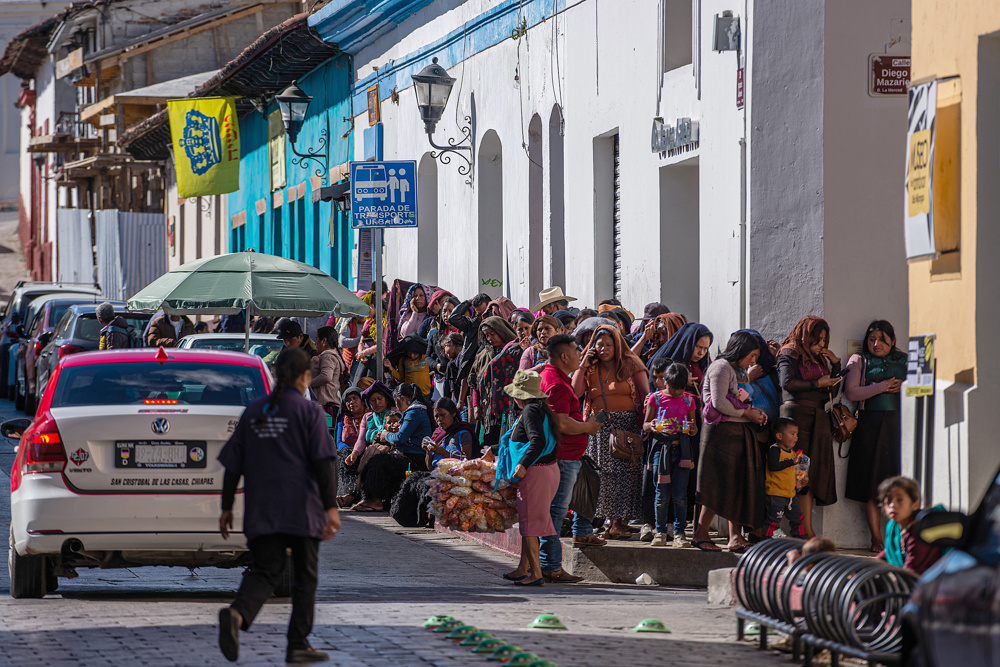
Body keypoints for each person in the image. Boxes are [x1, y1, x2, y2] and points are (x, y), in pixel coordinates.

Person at [217, 347, 340, 664]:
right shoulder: (311, 413)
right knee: (305, 578)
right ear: (304, 377)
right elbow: (324, 464)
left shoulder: (254, 411)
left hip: (263, 509)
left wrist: (227, 507)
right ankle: (297, 643)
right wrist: (331, 508)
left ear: (274, 376)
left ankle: (238, 614)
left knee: (265, 571)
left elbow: (233, 466)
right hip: (303, 510)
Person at [690, 331, 768, 553]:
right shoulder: (721, 367)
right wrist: (747, 415)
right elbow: (719, 403)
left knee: (735, 485)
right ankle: (700, 534)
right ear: (741, 350)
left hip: (737, 434)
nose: (753, 361)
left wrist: (754, 412)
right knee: (715, 485)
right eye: (752, 355)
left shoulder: (739, 370)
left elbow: (742, 399)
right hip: (719, 435)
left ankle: (736, 537)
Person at [572, 324, 650, 540]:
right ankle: (610, 523)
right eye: (600, 345)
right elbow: (576, 392)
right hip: (599, 427)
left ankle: (619, 522)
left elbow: (646, 397)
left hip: (626, 429)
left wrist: (645, 424)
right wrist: (582, 365)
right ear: (592, 347)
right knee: (604, 476)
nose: (604, 349)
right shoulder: (589, 368)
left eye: (609, 345)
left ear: (617, 346)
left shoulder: (632, 365)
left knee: (625, 476)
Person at [539, 334, 605, 583]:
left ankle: (549, 563)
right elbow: (562, 422)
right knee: (556, 512)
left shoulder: (555, 378)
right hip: (563, 457)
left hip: (566, 456)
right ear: (564, 356)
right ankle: (550, 566)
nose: (580, 355)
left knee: (555, 511)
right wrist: (587, 427)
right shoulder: (555, 382)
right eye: (577, 351)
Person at [844, 320, 907, 552]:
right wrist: (881, 386)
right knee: (868, 483)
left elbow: (923, 386)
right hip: (869, 425)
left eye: (882, 339)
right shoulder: (859, 360)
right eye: (872, 339)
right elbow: (851, 392)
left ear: (893, 341)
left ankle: (895, 538)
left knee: (895, 481)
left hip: (898, 426)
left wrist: (904, 387)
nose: (876, 344)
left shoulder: (904, 360)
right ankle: (876, 538)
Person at [495, 370, 562, 587]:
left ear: (521, 396)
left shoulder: (531, 411)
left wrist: (523, 465)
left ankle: (536, 573)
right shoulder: (538, 409)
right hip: (545, 472)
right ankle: (523, 568)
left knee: (531, 524)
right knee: (528, 522)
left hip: (536, 473)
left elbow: (537, 442)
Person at [778, 315, 842, 538]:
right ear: (806, 336)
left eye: (825, 339)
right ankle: (802, 528)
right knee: (798, 473)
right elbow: (787, 383)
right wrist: (817, 383)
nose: (822, 344)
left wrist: (835, 364)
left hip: (818, 417)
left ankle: (806, 527)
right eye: (817, 339)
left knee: (811, 473)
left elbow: (831, 390)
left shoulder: (820, 359)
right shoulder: (790, 352)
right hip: (797, 418)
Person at [642, 362, 697, 547]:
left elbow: (694, 428)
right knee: (661, 494)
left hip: (681, 451)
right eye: (673, 388)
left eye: (680, 390)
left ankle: (680, 533)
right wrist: (652, 425)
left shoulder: (689, 400)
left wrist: (690, 429)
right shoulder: (655, 399)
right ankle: (660, 532)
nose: (676, 393)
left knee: (680, 495)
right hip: (661, 450)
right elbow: (645, 424)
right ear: (665, 382)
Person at [471, 316, 520, 448]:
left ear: (502, 331)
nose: (489, 338)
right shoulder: (482, 355)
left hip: (508, 409)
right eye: (486, 335)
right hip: (488, 414)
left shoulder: (515, 351)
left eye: (492, 334)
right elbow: (476, 382)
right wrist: (476, 406)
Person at [876, 476, 942, 574]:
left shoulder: (920, 532)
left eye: (899, 500)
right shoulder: (893, 526)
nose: (893, 505)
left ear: (915, 504)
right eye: (889, 500)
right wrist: (861, 570)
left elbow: (911, 574)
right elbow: (889, 552)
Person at [764, 418, 806, 539]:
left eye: (797, 434)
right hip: (776, 494)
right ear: (779, 436)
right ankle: (764, 543)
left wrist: (803, 479)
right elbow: (773, 466)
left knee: (798, 518)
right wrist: (791, 462)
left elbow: (795, 471)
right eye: (792, 434)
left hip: (791, 495)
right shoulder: (774, 450)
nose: (796, 437)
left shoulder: (793, 453)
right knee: (773, 521)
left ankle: (800, 541)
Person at [381, 382, 434, 471]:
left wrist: (386, 434)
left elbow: (400, 438)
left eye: (396, 401)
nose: (396, 406)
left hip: (415, 457)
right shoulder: (416, 411)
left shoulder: (414, 412)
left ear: (402, 399)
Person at [421, 397, 476, 468]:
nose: (439, 419)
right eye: (436, 416)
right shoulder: (437, 434)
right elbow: (429, 467)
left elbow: (468, 461)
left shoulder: (462, 432)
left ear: (453, 413)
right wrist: (428, 451)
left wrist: (444, 453)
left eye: (443, 415)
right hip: (438, 475)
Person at [335, 386, 366, 501]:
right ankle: (347, 493)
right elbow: (338, 441)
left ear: (362, 400)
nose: (351, 402)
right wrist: (350, 451)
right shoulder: (343, 418)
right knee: (346, 458)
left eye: (354, 398)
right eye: (348, 400)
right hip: (347, 451)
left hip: (364, 451)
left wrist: (357, 451)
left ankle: (357, 495)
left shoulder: (369, 416)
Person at [309, 326, 346, 419]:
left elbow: (326, 377)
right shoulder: (329, 356)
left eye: (317, 339)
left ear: (324, 341)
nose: (315, 343)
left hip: (326, 408)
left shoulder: (328, 357)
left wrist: (307, 384)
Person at [385, 333, 432, 398]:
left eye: (415, 353)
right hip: (410, 396)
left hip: (426, 395)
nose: (412, 355)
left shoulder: (425, 357)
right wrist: (390, 368)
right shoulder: (403, 360)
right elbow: (401, 377)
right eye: (409, 352)